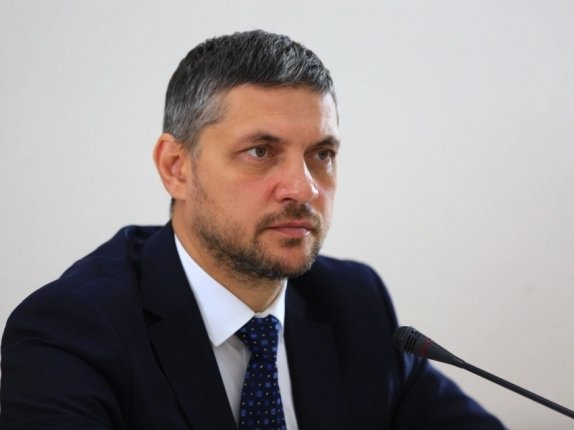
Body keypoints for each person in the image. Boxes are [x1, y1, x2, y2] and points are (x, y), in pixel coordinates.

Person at [0, 30, 505, 430]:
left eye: (321, 154)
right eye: (260, 152)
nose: (303, 188)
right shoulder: (72, 331)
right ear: (176, 167)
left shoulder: (355, 303)